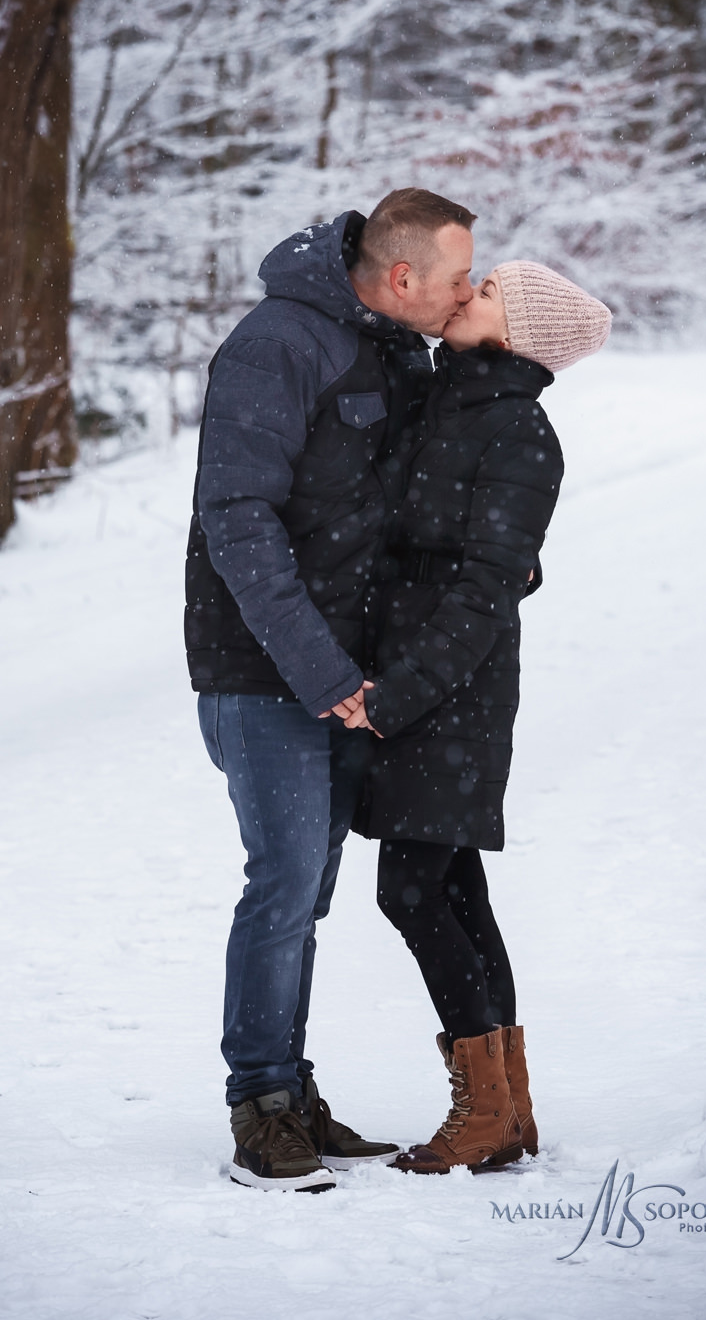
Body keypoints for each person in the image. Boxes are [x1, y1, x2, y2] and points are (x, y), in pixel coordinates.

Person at [185, 188, 477, 1191]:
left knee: (304, 891)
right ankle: (257, 1103)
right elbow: (237, 519)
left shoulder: (396, 350)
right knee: (281, 884)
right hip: (263, 670)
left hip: (343, 677)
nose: (464, 293)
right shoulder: (276, 345)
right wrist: (323, 673)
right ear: (402, 278)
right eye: (454, 280)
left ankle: (293, 1092)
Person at [336, 260, 611, 1174]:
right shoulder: (442, 401)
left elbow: (489, 589)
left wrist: (400, 695)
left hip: (450, 692)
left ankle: (486, 1107)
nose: (465, 295)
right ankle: (509, 1108)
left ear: (511, 336)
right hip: (414, 680)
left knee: (410, 890)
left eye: (485, 292)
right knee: (453, 889)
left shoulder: (522, 432)